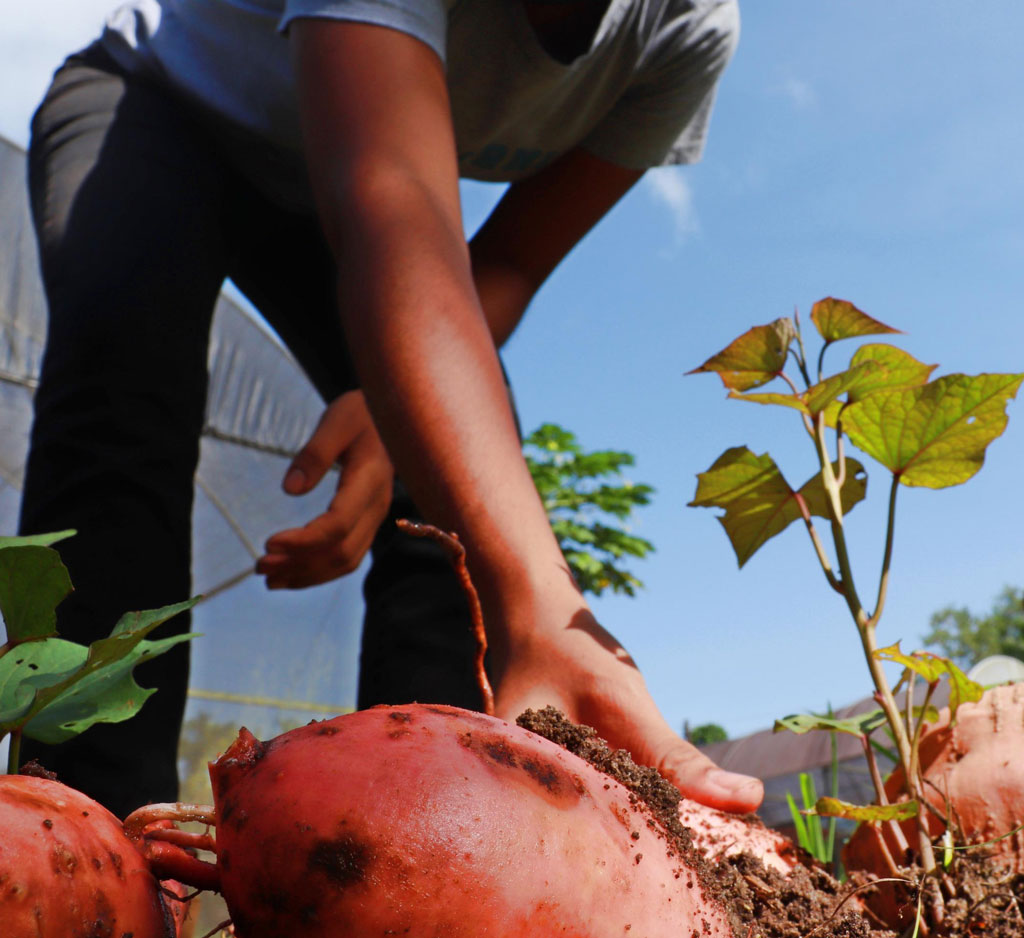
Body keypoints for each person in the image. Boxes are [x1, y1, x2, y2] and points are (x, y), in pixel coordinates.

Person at [19, 0, 762, 820]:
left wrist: (393, 415)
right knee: (123, 378)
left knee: (458, 475)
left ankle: (413, 841)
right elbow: (388, 192)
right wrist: (537, 606)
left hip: (330, 189)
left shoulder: (683, 34)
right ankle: (88, 844)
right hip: (158, 106)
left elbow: (506, 262)